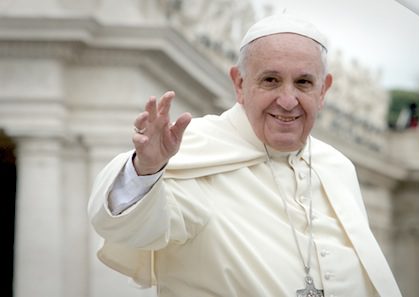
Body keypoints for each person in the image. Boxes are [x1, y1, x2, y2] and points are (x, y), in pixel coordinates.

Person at [88, 14, 403, 297]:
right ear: (239, 83)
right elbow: (129, 227)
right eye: (271, 80)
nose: (288, 100)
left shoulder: (337, 167)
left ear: (323, 90)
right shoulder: (192, 151)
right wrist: (146, 168)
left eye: (304, 83)